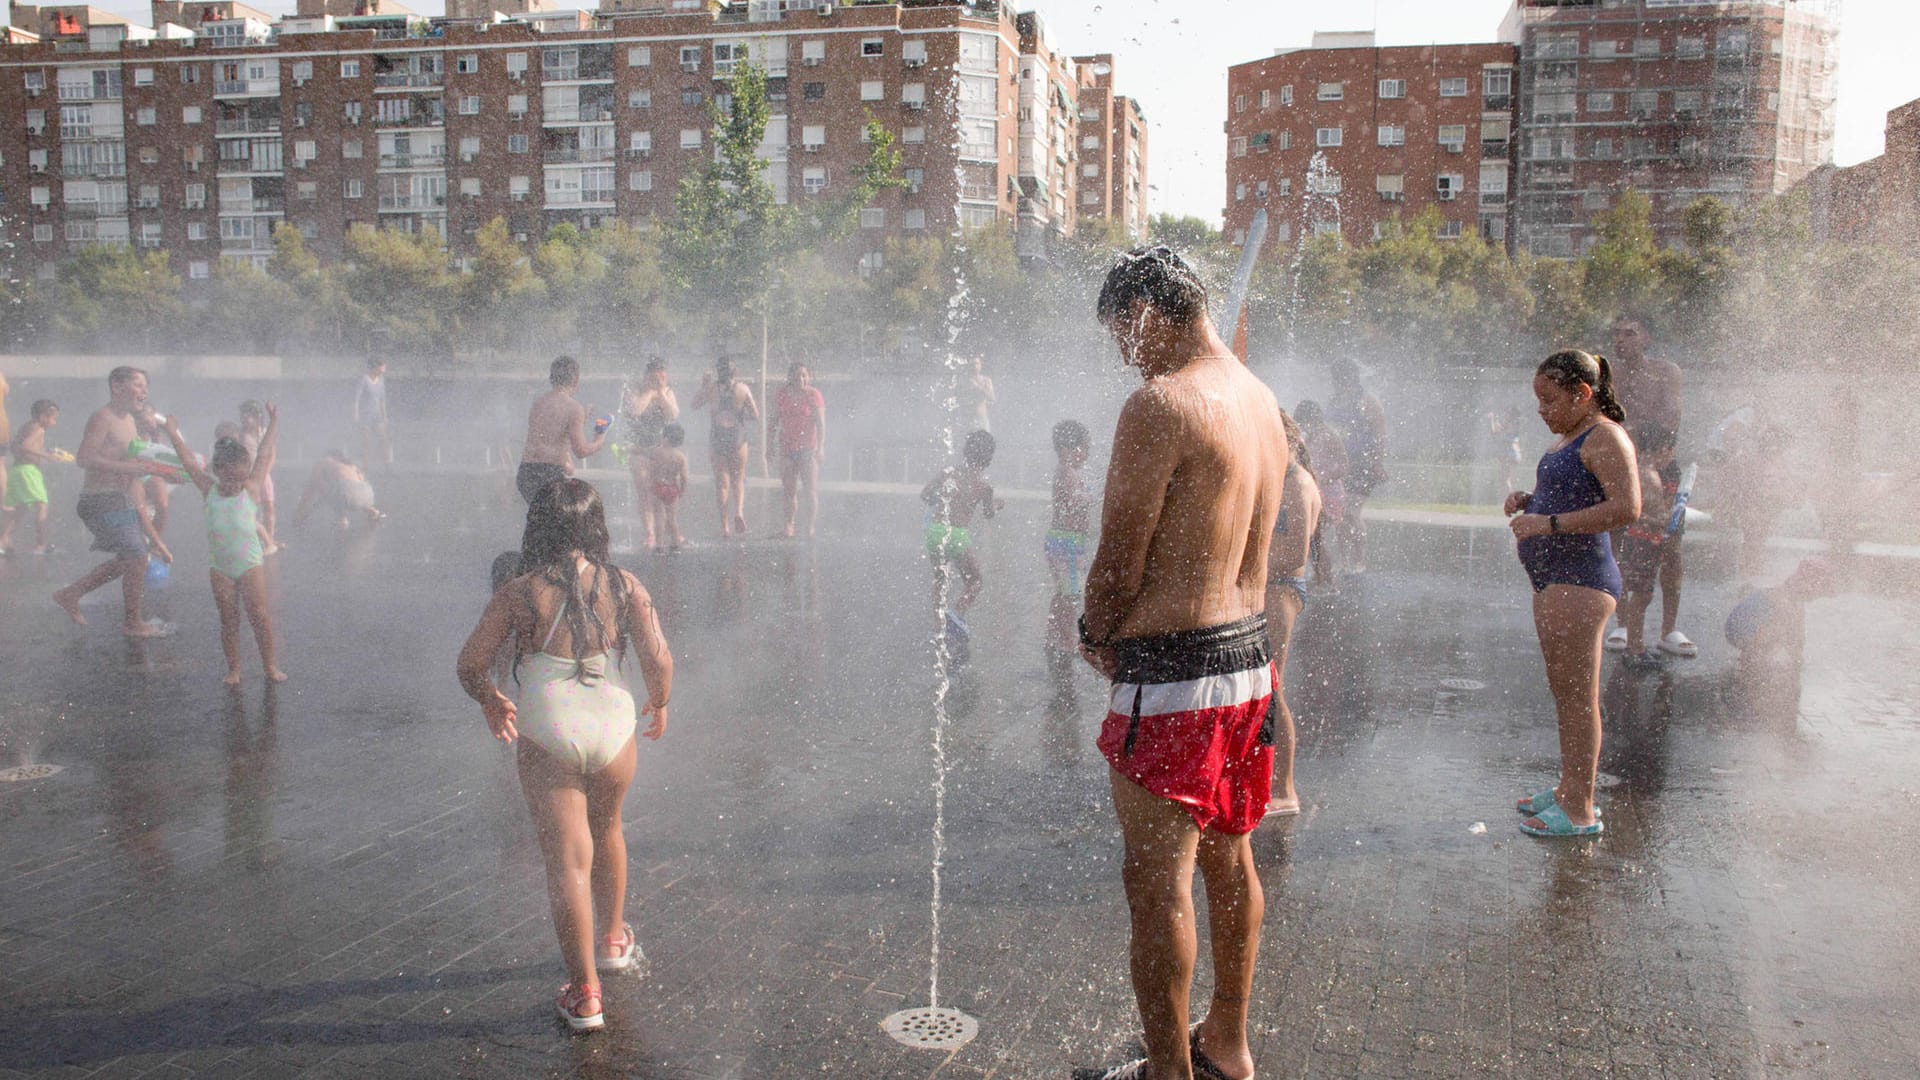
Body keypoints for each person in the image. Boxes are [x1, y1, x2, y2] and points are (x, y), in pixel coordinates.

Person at [1077, 247, 1287, 1080]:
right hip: (1249, 666)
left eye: (1123, 335)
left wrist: (1096, 630)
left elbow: (1120, 556)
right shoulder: (1260, 399)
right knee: (1231, 858)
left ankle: (1168, 1069)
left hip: (1172, 675)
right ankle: (1228, 1041)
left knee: (1157, 884)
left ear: (1148, 311)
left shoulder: (1161, 405)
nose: (1126, 355)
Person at [456, 479, 673, 1034]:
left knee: (567, 863)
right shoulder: (625, 585)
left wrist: (490, 700)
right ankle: (614, 940)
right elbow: (658, 658)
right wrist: (660, 702)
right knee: (610, 831)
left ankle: (584, 996)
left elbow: (470, 663)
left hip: (550, 726)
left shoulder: (519, 591)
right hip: (612, 723)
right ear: (596, 527)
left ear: (539, 529)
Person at [1505, 349, 1639, 839]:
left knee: (1580, 698)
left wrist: (1549, 522)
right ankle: (1567, 788)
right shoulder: (1573, 436)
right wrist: (1530, 502)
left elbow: (1627, 507)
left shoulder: (1606, 436)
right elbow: (1578, 494)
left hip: (1582, 581)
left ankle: (1581, 808)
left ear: (1583, 395)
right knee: (1565, 694)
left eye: (1549, 399)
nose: (1541, 410)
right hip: (1555, 580)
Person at [158, 408, 286, 685]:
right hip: (221, 568)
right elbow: (189, 462)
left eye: (239, 479)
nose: (233, 485)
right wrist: (171, 432)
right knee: (229, 620)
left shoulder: (250, 489)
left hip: (250, 564)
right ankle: (234, 669)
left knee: (260, 617)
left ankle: (270, 666)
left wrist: (273, 422)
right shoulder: (209, 490)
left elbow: (263, 455)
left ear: (246, 474)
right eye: (228, 479)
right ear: (217, 471)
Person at [53, 368, 177, 636]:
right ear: (117, 387)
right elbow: (84, 459)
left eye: (146, 386)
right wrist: (125, 468)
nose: (144, 391)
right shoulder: (103, 417)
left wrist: (162, 471)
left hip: (119, 501)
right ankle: (132, 623)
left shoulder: (130, 421)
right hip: (100, 501)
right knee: (136, 556)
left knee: (129, 560)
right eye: (138, 385)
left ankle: (70, 594)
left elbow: (131, 467)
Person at [1604, 316, 1693, 658]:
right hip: (1620, 467)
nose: (1621, 340)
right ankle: (1623, 624)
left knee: (1670, 545)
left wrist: (1638, 436)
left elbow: (1670, 420)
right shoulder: (1607, 374)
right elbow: (1606, 420)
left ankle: (1668, 629)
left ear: (1647, 338)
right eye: (1616, 334)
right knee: (1616, 544)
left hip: (1659, 463)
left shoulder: (1665, 372)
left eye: (1629, 333)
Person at [1264, 410, 1326, 819]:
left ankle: (1285, 790)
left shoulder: (1298, 482)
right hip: (1267, 587)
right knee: (1260, 687)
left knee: (1273, 687)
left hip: (1282, 590)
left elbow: (1294, 554)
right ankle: (1259, 778)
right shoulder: (1279, 478)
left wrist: (1244, 561)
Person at [921, 429, 1000, 639]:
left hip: (936, 532)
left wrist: (940, 501)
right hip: (957, 536)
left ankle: (937, 627)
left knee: (940, 579)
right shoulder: (985, 486)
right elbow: (988, 514)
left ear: (966, 451)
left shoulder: (948, 472)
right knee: (975, 580)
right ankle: (957, 612)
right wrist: (997, 505)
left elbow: (925, 494)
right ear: (989, 458)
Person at [1613, 424, 1679, 672]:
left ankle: (1635, 646)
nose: (1670, 458)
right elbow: (1645, 514)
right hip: (1643, 543)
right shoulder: (1650, 476)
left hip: (1637, 541)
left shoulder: (1639, 471)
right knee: (1641, 596)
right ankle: (1635, 649)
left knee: (1640, 594)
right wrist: (1666, 519)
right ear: (1663, 449)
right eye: (1670, 452)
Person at [519, 356, 610, 506]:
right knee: (559, 524)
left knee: (540, 522)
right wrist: (599, 440)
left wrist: (579, 419)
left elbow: (547, 434)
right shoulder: (573, 408)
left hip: (527, 473)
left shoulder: (539, 402)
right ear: (576, 380)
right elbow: (581, 451)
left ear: (552, 378)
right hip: (548, 475)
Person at [1044, 420, 1093, 700]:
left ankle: (1055, 636)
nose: (1086, 454)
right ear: (1067, 449)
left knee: (1065, 593)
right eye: (1084, 449)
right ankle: (1064, 641)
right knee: (1070, 594)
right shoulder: (1066, 472)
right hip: (1066, 543)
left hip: (1067, 542)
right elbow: (1074, 502)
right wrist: (1090, 496)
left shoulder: (1070, 471)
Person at [1325, 359, 1387, 573]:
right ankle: (1343, 560)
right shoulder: (1334, 402)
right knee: (1341, 515)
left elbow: (1380, 435)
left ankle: (1360, 558)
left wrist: (1378, 463)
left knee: (1351, 511)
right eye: (1336, 378)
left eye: (1341, 377)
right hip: (1341, 466)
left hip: (1364, 465)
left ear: (1351, 377)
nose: (1338, 382)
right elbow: (1328, 433)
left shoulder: (1367, 402)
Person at [692, 358, 758, 538]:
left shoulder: (711, 389)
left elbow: (694, 405)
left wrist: (703, 386)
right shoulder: (743, 389)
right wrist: (741, 412)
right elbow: (755, 414)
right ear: (735, 372)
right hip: (737, 434)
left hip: (717, 435)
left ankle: (724, 526)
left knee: (722, 483)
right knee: (738, 478)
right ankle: (738, 512)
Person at [619, 357, 678, 550]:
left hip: (660, 451)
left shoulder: (667, 392)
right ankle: (650, 533)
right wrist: (650, 392)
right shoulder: (634, 390)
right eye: (654, 376)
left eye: (662, 375)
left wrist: (660, 392)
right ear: (646, 376)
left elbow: (673, 415)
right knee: (644, 490)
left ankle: (667, 531)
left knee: (661, 492)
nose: (659, 379)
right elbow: (635, 410)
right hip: (638, 449)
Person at [1, 399, 63, 555]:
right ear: (43, 417)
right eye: (53, 418)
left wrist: (45, 451)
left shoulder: (27, 426)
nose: (54, 423)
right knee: (42, 505)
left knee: (20, 509)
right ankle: (41, 544)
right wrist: (47, 456)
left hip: (17, 470)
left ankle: (3, 540)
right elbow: (27, 446)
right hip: (29, 471)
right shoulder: (39, 429)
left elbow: (16, 446)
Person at [774, 363, 826, 540]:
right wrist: (768, 447)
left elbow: (820, 423)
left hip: (808, 449)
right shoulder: (782, 394)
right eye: (797, 376)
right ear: (790, 377)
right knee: (789, 490)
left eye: (804, 376)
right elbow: (773, 420)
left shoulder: (813, 395)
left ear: (808, 377)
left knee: (810, 490)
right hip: (787, 448)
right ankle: (788, 525)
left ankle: (810, 527)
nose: (801, 380)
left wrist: (821, 448)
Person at [292, 451, 385, 529]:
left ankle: (342, 518)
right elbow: (361, 482)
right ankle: (372, 511)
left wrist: (300, 510)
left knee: (326, 488)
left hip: (346, 492)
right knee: (344, 489)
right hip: (367, 496)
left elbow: (313, 484)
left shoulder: (325, 461)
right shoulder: (352, 466)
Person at [238, 400, 279, 554]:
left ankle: (270, 539)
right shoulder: (241, 433)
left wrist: (265, 473)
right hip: (247, 474)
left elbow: (272, 455)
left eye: (247, 415)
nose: (244, 419)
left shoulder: (264, 432)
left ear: (257, 416)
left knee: (269, 507)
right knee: (249, 508)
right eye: (242, 415)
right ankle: (256, 540)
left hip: (264, 474)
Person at [646, 424, 689, 552]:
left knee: (659, 517)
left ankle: (659, 545)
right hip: (673, 488)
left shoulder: (657, 452)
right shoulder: (681, 457)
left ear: (665, 437)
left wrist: (650, 483)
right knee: (672, 518)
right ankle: (675, 544)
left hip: (658, 487)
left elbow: (651, 469)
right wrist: (682, 491)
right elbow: (684, 477)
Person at [353, 358, 391, 470]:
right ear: (376, 367)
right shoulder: (364, 379)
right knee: (366, 442)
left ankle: (387, 465)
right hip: (365, 415)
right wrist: (355, 414)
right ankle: (365, 467)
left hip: (377, 415)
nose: (384, 368)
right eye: (382, 366)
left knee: (384, 439)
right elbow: (356, 399)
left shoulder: (381, 380)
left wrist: (385, 416)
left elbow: (382, 399)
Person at [961, 355, 996, 433]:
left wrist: (978, 387)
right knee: (970, 443)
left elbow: (992, 397)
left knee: (985, 442)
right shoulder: (965, 381)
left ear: (980, 365)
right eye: (972, 364)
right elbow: (959, 399)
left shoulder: (986, 380)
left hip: (982, 417)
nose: (975, 366)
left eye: (977, 363)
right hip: (969, 418)